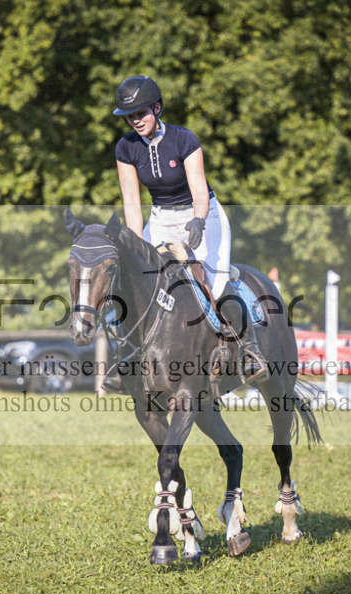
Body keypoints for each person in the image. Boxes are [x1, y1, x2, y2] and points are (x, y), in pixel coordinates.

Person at [105, 74, 266, 392]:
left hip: (202, 213)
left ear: (157, 108)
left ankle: (250, 350)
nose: (135, 120)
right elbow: (132, 203)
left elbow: (200, 190)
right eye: (129, 116)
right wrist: (136, 244)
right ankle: (127, 361)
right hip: (161, 218)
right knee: (137, 281)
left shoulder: (184, 139)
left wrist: (198, 221)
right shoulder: (126, 148)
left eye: (141, 113)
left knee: (215, 280)